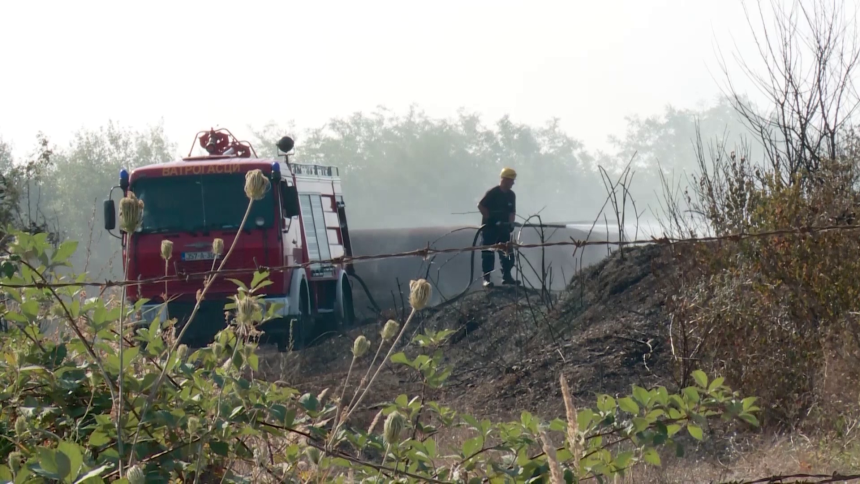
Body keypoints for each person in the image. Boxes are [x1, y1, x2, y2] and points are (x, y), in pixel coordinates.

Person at [477, 167, 521, 287]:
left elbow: (512, 212)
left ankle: (507, 276)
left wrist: (510, 224)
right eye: (511, 180)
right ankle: (486, 279)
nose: (513, 183)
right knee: (488, 253)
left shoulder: (511, 195)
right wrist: (490, 219)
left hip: (503, 229)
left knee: (507, 252)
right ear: (504, 180)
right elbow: (481, 206)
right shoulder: (493, 193)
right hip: (490, 229)